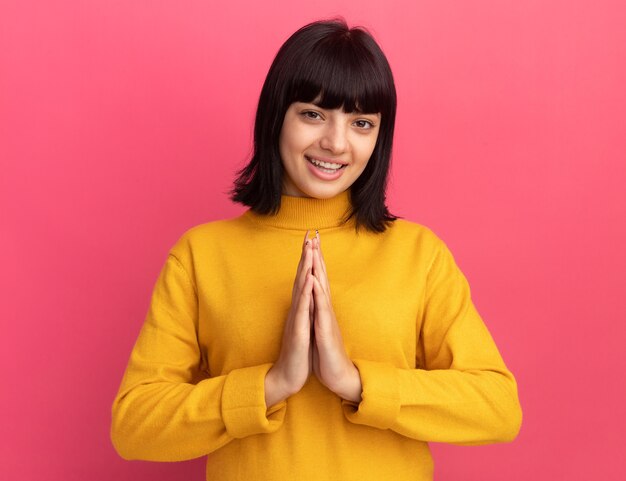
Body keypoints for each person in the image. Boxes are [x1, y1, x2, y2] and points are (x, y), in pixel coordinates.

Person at [111, 19, 522, 481]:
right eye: (313, 114)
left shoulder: (419, 254)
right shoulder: (201, 255)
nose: (336, 142)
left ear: (378, 139)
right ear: (276, 116)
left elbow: (498, 408)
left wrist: (355, 382)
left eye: (361, 123)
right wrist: (271, 385)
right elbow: (133, 425)